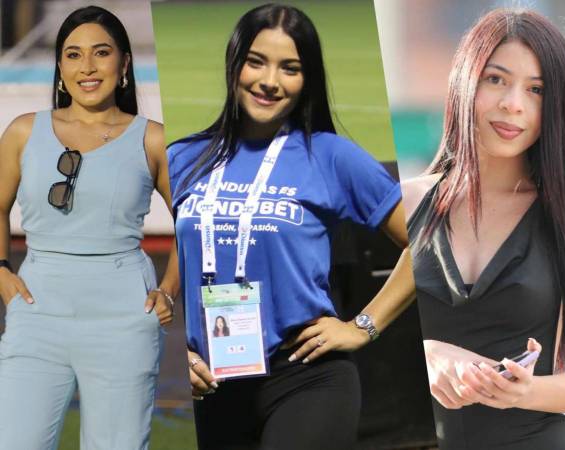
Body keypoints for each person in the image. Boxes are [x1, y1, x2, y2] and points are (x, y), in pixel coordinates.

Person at [167, 4, 411, 449]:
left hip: (306, 377)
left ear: (307, 80)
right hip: (212, 385)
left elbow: (428, 243)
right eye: (256, 61)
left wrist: (363, 326)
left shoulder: (332, 157)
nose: (269, 81)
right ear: (234, 63)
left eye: (290, 68)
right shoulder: (183, 158)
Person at [401, 8, 565, 449]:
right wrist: (428, 352)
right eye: (496, 79)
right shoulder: (405, 203)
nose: (513, 103)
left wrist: (529, 391)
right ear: (465, 82)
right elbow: (356, 338)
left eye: (536, 90)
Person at [0, 6, 178, 450]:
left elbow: (194, 224)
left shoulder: (153, 138)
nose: (88, 67)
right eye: (74, 55)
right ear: (60, 67)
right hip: (36, 312)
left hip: (125, 317)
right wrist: (1, 270)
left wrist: (168, 290)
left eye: (101, 53)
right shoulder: (23, 131)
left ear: (124, 64)